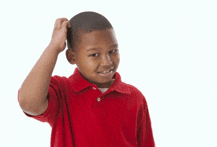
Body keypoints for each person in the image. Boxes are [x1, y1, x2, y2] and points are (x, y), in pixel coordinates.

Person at [18, 11, 155, 147]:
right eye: (95, 54)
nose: (107, 62)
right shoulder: (62, 91)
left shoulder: (135, 97)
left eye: (112, 51)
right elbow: (28, 103)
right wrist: (53, 47)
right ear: (72, 57)